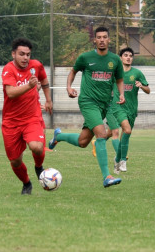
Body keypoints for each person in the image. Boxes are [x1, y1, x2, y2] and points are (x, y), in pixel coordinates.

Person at [48, 26, 125, 188]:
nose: (102, 40)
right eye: (99, 37)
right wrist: (69, 87)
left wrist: (122, 94)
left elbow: (119, 79)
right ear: (95, 40)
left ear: (109, 40)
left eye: (105, 37)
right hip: (88, 102)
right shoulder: (85, 57)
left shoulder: (115, 60)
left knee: (83, 141)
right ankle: (107, 176)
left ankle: (58, 136)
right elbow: (73, 72)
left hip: (105, 104)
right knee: (102, 134)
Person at [1, 38, 52, 195]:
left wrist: (48, 100)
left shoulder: (36, 65)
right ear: (13, 54)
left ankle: (38, 167)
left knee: (36, 147)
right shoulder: (8, 69)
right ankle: (27, 183)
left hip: (32, 117)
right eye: (21, 54)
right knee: (15, 160)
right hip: (11, 121)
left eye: (28, 55)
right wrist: (29, 86)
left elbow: (43, 79)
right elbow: (10, 92)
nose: (25, 58)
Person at [106, 47, 150, 173]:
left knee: (125, 135)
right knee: (127, 129)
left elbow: (148, 90)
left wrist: (141, 86)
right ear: (121, 57)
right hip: (117, 106)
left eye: (130, 55)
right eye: (125, 55)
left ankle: (117, 159)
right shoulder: (115, 73)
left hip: (131, 109)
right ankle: (123, 161)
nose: (128, 57)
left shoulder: (137, 73)